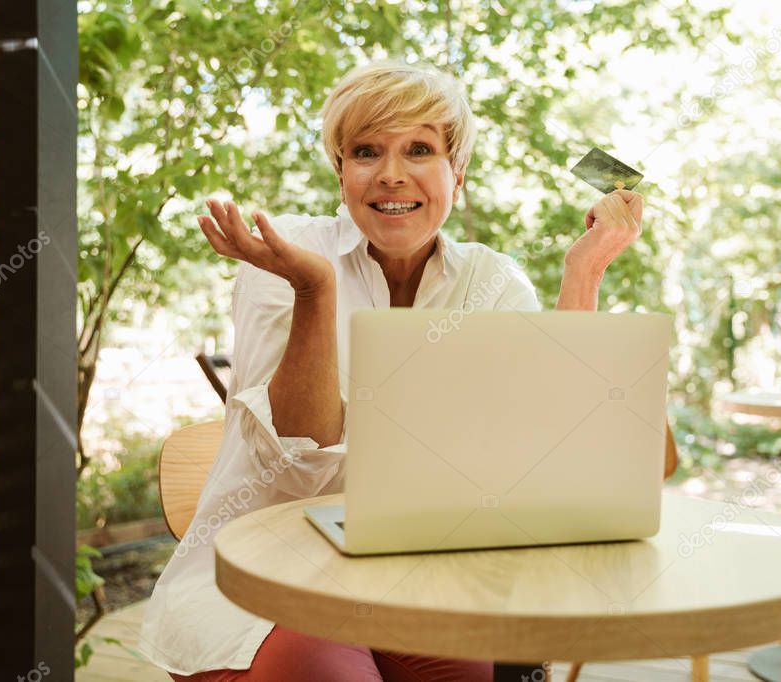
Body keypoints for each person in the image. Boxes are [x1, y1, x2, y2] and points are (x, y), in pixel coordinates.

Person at [140, 59, 646, 681]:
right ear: (341, 172)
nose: (391, 174)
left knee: (471, 663)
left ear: (456, 175)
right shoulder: (288, 259)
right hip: (265, 580)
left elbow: (546, 451)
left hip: (412, 574)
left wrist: (585, 272)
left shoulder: (491, 281)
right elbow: (303, 454)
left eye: (419, 149)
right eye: (365, 151)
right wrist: (315, 290)